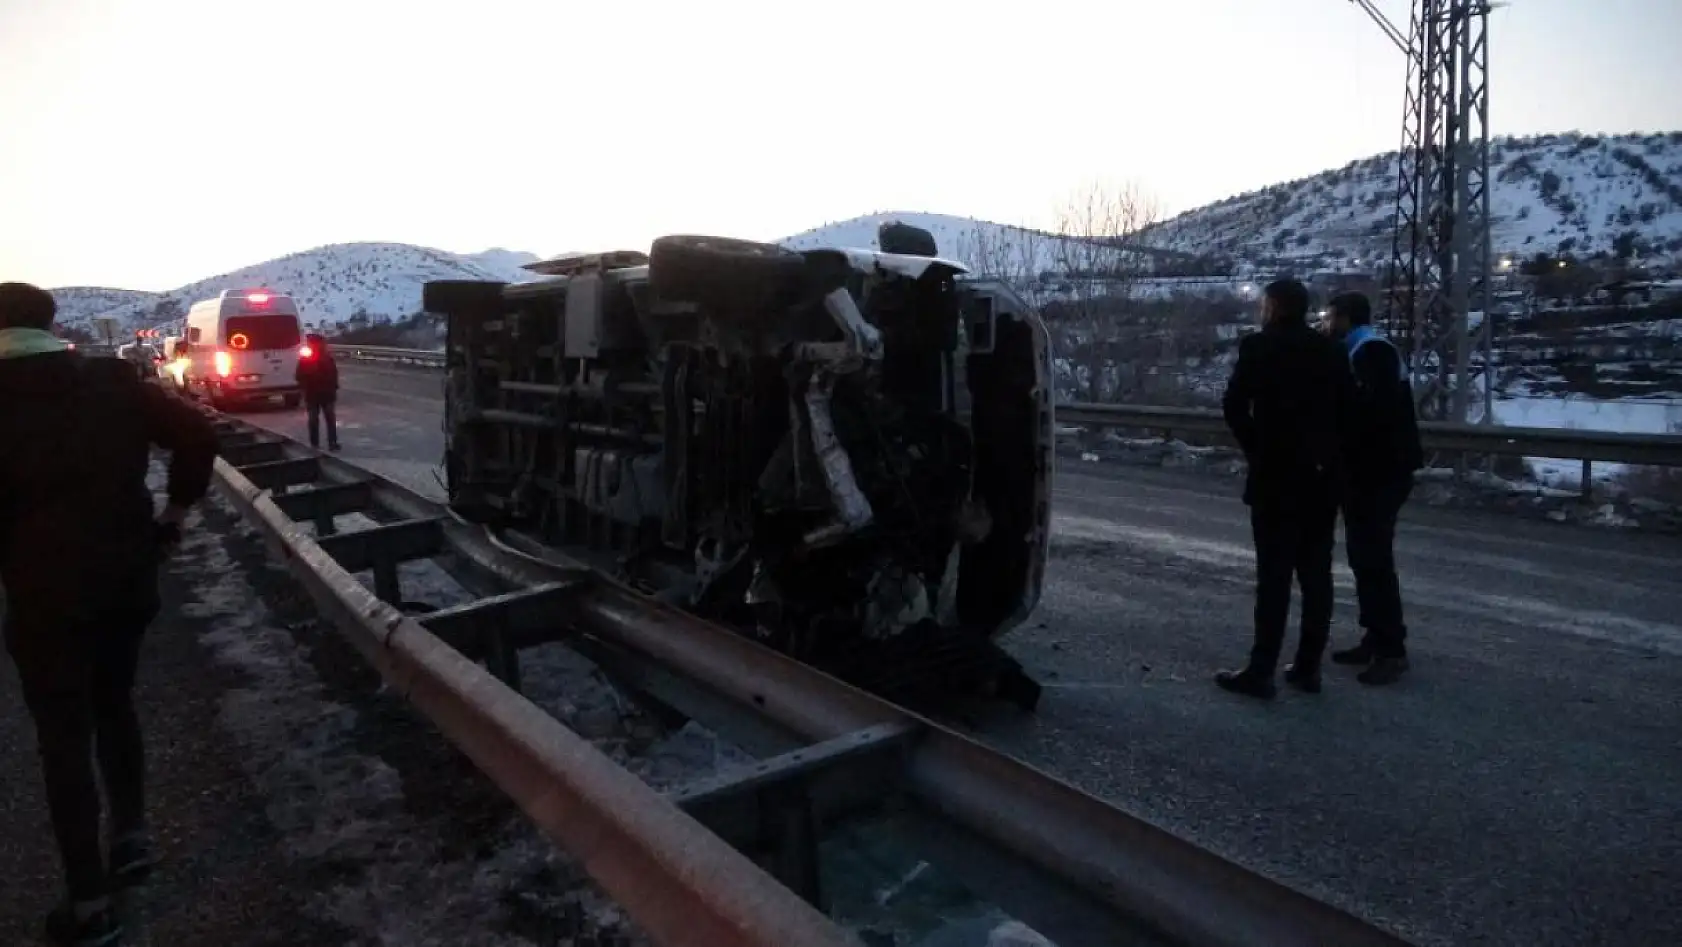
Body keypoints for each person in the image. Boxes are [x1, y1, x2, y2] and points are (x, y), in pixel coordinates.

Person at [0, 282, 219, 946]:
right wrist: (174, 517)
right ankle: (131, 835)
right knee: (116, 703)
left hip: (41, 597)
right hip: (126, 583)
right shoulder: (111, 382)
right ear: (51, 322)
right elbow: (197, 435)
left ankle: (90, 903)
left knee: (61, 736)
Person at [1216, 278, 1350, 699]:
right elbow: (1348, 409)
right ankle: (1308, 667)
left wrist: (1258, 448)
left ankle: (1262, 670)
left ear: (1273, 306)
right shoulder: (1330, 349)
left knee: (1273, 577)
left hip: (1275, 477)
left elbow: (1234, 405)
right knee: (1316, 575)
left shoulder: (1258, 347)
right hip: (1321, 477)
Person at [1322, 292, 1424, 685]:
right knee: (1364, 557)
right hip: (1370, 470)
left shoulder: (1371, 351)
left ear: (1345, 318)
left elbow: (1371, 413)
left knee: (1374, 558)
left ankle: (1391, 648)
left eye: (1331, 317)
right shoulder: (1363, 349)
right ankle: (1375, 635)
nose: (1327, 324)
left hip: (1380, 472)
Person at [295, 332, 341, 451]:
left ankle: (332, 442)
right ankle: (315, 443)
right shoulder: (306, 359)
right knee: (314, 419)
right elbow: (299, 375)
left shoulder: (327, 358)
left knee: (329, 419)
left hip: (325, 393)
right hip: (313, 393)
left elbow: (334, 374)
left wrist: (334, 388)